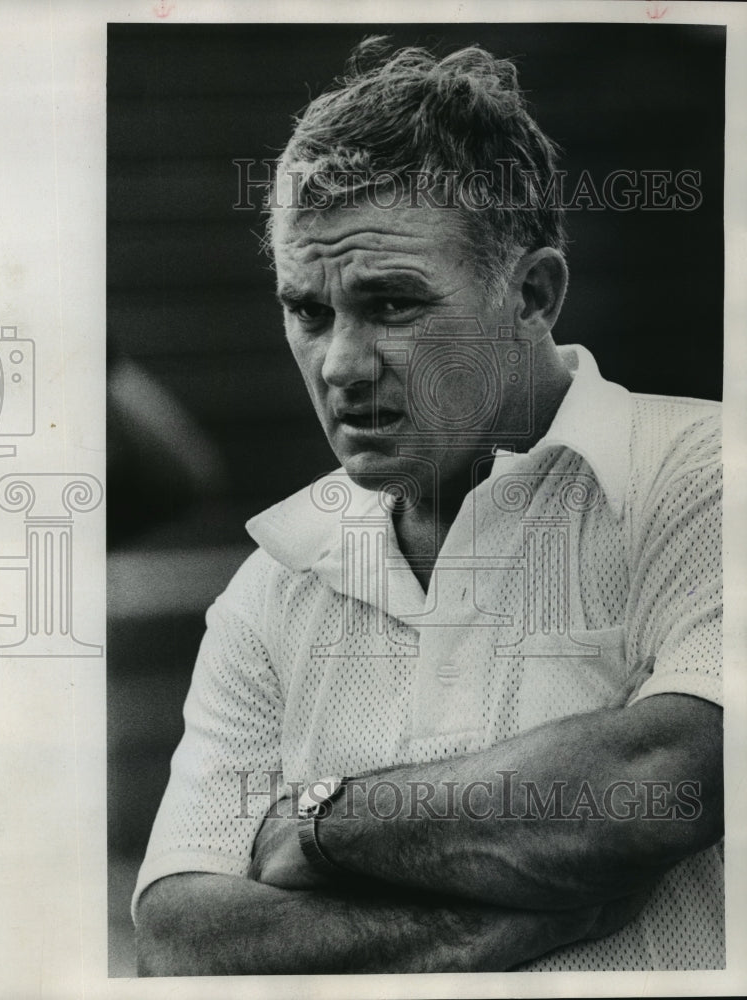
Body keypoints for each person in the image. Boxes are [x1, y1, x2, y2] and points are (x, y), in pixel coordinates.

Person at [133, 39, 723, 974]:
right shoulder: (275, 581)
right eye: (309, 312)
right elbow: (181, 938)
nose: (341, 366)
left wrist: (319, 823)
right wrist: (459, 936)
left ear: (533, 295)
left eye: (393, 306)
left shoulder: (706, 475)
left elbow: (665, 782)